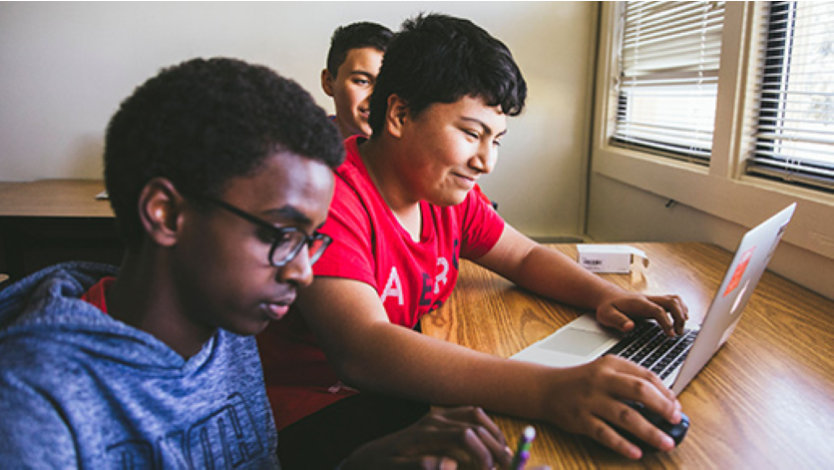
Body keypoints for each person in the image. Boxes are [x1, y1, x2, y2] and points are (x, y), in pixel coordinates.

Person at [0, 57, 516, 469]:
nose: (303, 271)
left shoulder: (227, 331)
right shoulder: (34, 412)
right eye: (283, 234)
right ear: (167, 213)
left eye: (310, 240)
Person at [259, 13, 690, 462]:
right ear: (400, 115)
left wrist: (603, 295)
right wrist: (548, 389)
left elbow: (523, 256)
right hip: (314, 410)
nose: (486, 161)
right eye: (471, 134)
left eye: (497, 140)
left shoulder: (445, 193)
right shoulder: (332, 195)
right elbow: (363, 348)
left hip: (393, 390)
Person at [320, 21, 392, 139]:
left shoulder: (417, 150)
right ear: (328, 82)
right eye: (362, 81)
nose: (376, 97)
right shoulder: (300, 150)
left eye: (387, 83)